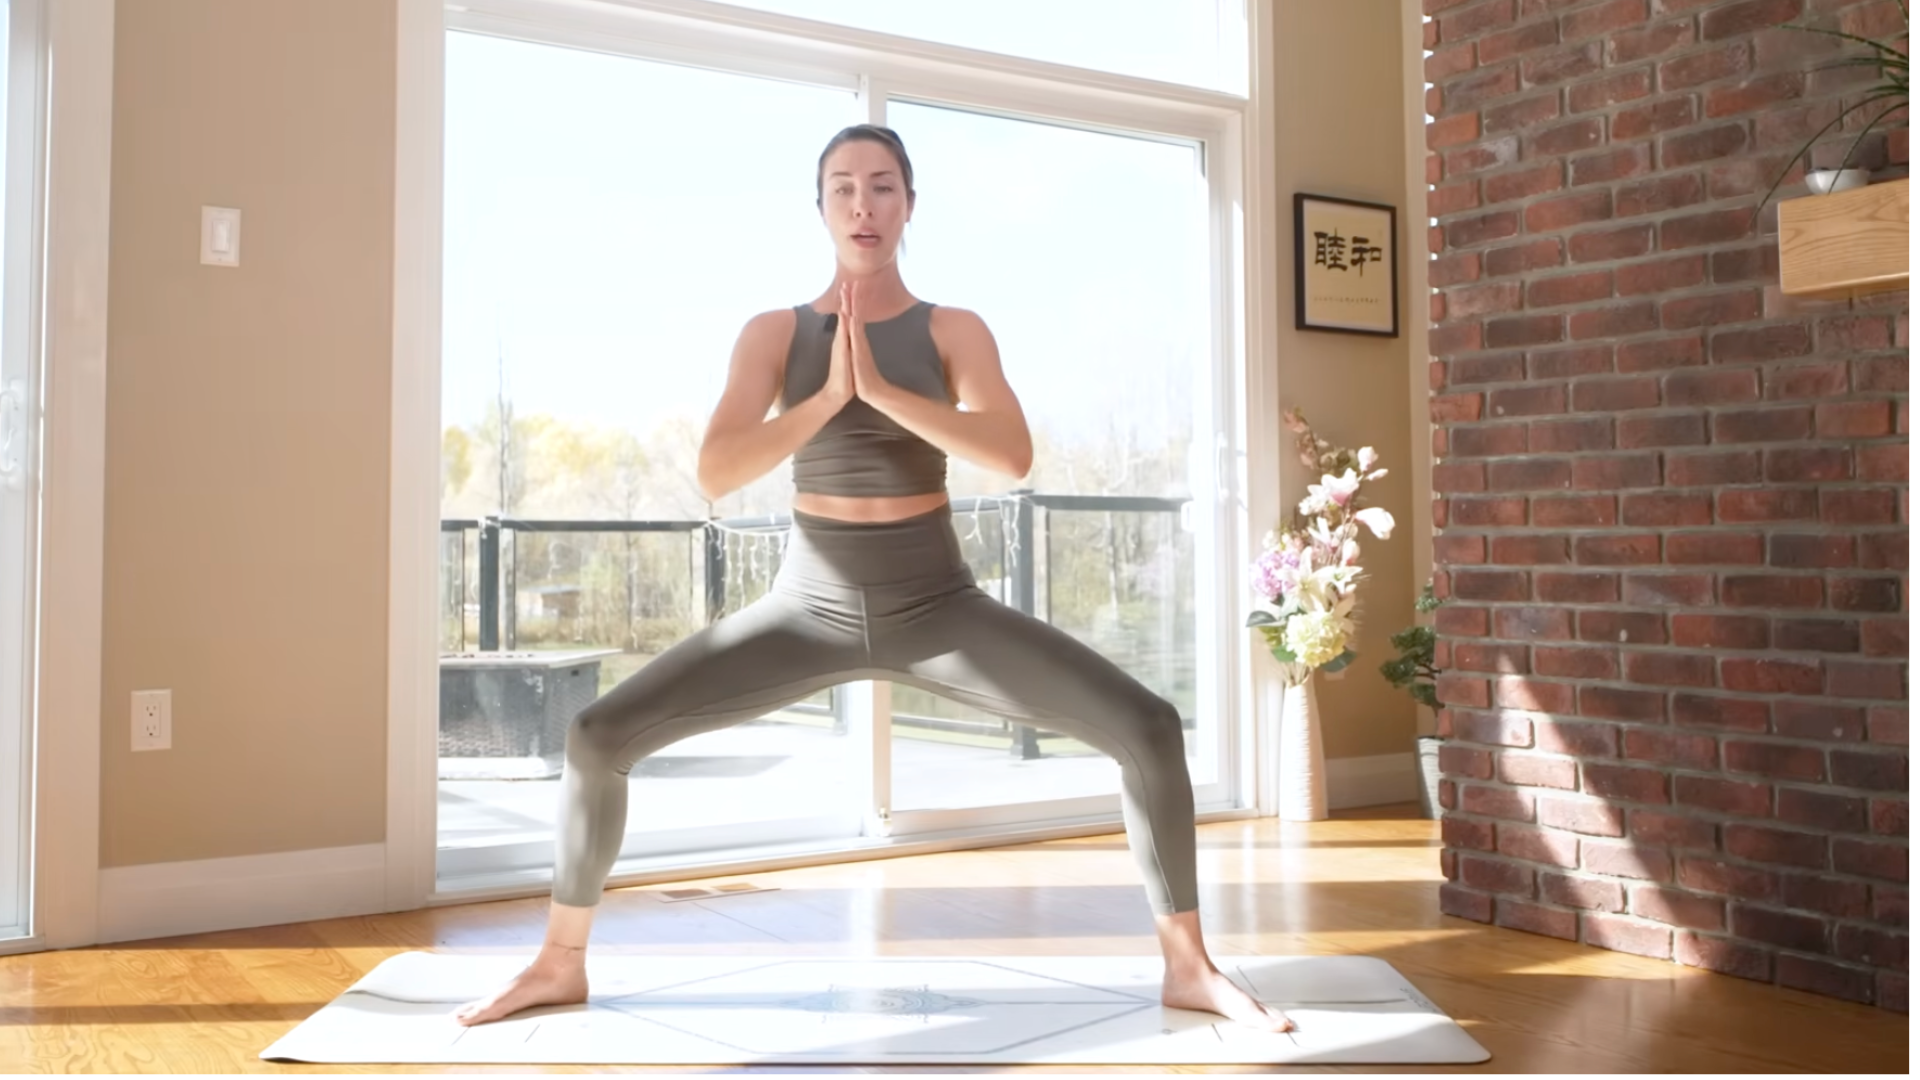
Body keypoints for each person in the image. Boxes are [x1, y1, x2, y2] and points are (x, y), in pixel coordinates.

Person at [454, 124, 1291, 1033]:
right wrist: (825, 398)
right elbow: (717, 471)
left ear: (910, 205)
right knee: (596, 733)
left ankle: (1189, 969)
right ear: (820, 208)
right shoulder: (775, 333)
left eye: (884, 186)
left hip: (938, 606)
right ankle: (559, 964)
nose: (864, 205)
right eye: (844, 188)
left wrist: (886, 392)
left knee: (1149, 726)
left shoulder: (952, 329)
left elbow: (1011, 454)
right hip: (804, 607)